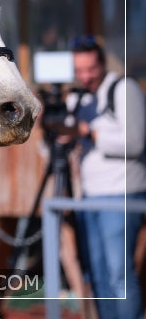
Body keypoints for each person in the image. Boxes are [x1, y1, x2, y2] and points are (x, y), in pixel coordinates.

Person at [66, 35, 146, 319]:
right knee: (98, 278)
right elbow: (58, 148)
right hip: (89, 197)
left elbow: (135, 142)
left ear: (103, 64)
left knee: (119, 275)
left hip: (121, 194)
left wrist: (92, 133)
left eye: (90, 69)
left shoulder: (125, 89)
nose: (85, 77)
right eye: (79, 71)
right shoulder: (79, 98)